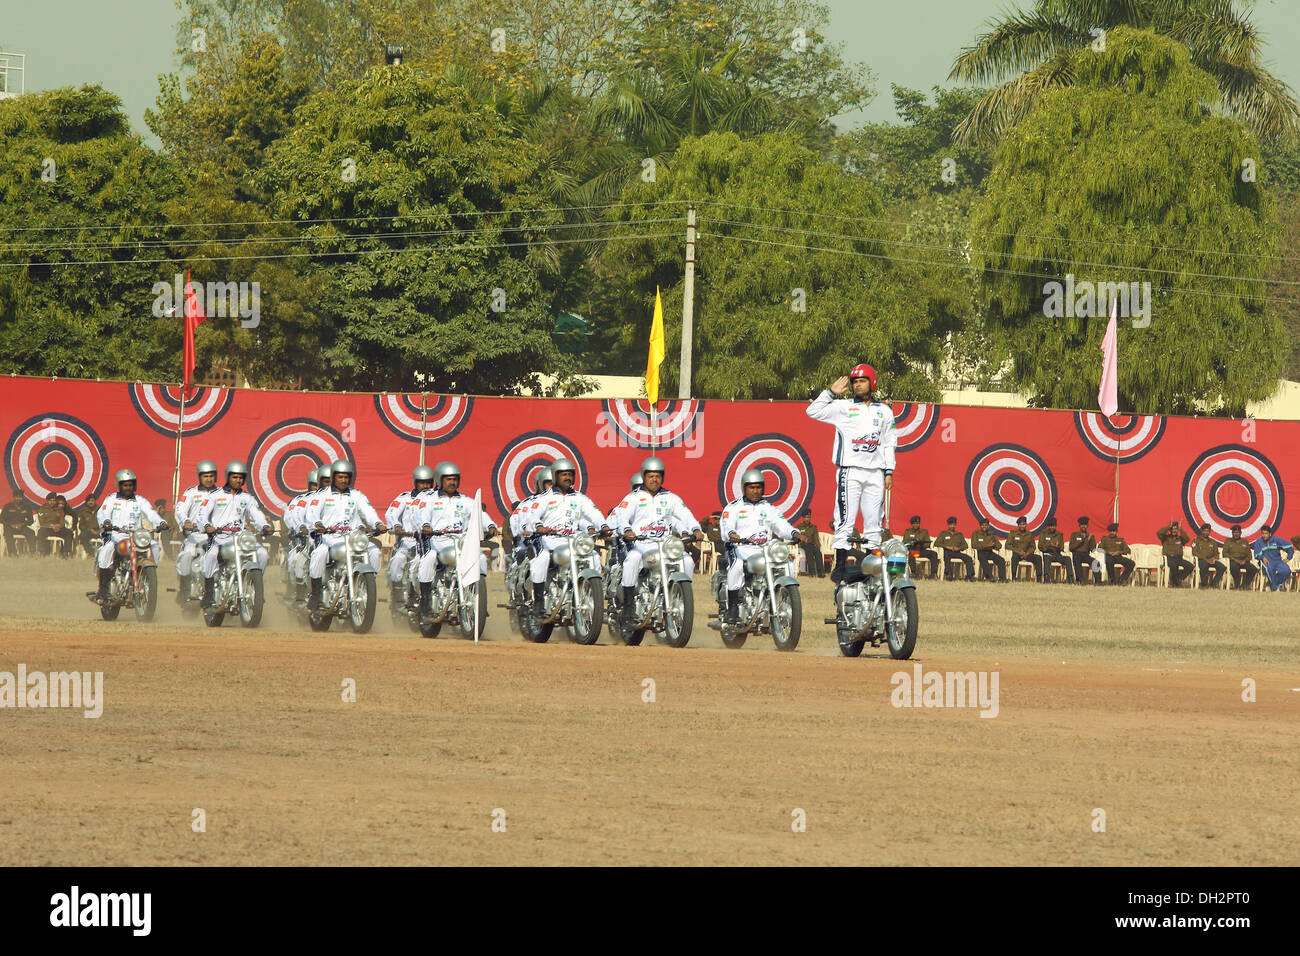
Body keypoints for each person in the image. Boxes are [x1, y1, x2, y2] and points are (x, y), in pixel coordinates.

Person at [806, 363, 896, 582]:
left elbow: (889, 442)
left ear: (872, 383)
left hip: (875, 473)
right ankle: (840, 565)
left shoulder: (884, 411)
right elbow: (812, 411)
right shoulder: (843, 407)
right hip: (850, 472)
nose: (857, 385)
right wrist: (829, 393)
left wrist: (889, 470)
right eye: (854, 382)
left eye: (862, 381)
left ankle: (870, 566)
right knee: (845, 519)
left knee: (873, 521)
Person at [616, 456, 703, 626]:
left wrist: (696, 529)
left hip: (665, 544)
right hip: (641, 543)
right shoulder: (633, 497)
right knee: (632, 560)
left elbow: (686, 515)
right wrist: (627, 530)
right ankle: (628, 606)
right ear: (644, 476)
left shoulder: (671, 498)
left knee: (687, 561)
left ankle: (679, 598)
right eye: (650, 476)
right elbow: (621, 517)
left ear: (662, 477)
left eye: (657, 476)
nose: (654, 479)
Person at [523, 458, 608, 619]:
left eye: (570, 474)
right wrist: (539, 526)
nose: (567, 477)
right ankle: (539, 603)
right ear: (555, 476)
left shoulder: (579, 498)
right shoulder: (544, 497)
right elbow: (532, 516)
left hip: (572, 539)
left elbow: (593, 513)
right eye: (563, 475)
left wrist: (603, 526)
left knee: (594, 557)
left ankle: (592, 600)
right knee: (542, 558)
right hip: (548, 538)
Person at [415, 461, 498, 617]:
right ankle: (425, 601)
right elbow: (422, 514)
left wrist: (491, 526)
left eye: (455, 479)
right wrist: (426, 526)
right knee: (429, 558)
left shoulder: (465, 500)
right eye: (448, 479)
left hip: (460, 542)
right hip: (437, 542)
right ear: (440, 480)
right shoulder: (429, 499)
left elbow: (480, 514)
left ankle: (477, 597)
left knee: (479, 557)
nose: (452, 482)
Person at [719, 469, 803, 623]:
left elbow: (781, 525)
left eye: (758, 487)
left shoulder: (768, 508)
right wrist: (732, 535)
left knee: (788, 565)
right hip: (740, 548)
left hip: (764, 549)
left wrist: (794, 533)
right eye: (752, 488)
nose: (755, 491)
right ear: (744, 488)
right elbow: (726, 525)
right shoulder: (733, 507)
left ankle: (781, 601)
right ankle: (732, 608)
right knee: (737, 567)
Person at [305, 460, 387, 611]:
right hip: (328, 537)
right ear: (333, 477)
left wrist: (378, 523)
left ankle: (367, 585)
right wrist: (317, 524)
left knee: (374, 551)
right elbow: (311, 512)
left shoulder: (357, 495)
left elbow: (369, 512)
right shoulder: (322, 494)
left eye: (346, 477)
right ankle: (315, 594)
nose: (343, 480)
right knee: (319, 553)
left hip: (352, 537)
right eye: (340, 477)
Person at [196, 461, 271, 608]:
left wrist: (265, 526)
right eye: (235, 477)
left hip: (241, 537)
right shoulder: (214, 495)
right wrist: (207, 526)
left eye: (241, 477)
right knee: (210, 556)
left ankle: (255, 587)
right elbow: (201, 514)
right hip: (219, 537)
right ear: (228, 477)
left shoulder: (247, 498)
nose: (238, 480)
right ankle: (209, 592)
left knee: (263, 554)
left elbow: (257, 515)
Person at [90, 470, 166, 604]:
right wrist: (106, 522)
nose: (128, 488)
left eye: (131, 485)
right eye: (125, 485)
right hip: (115, 535)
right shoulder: (112, 498)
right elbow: (103, 512)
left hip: (136, 536)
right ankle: (102, 591)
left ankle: (148, 575)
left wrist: (161, 522)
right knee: (107, 550)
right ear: (119, 486)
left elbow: (151, 513)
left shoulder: (140, 500)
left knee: (154, 546)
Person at [386, 465, 435, 608]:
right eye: (422, 482)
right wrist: (397, 525)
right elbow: (391, 513)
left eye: (428, 482)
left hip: (430, 542)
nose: (426, 486)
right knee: (398, 560)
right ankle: (397, 594)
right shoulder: (405, 498)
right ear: (415, 482)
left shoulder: (436, 499)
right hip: (408, 541)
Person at [174, 460, 220, 605]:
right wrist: (186, 522)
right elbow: (180, 509)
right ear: (199, 477)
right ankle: (184, 588)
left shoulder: (221, 493)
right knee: (187, 555)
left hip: (217, 537)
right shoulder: (191, 493)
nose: (209, 479)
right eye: (205, 476)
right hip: (195, 536)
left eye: (212, 476)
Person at [281, 467, 320, 607]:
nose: (317, 488)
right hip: (303, 540)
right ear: (309, 485)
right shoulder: (299, 500)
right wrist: (300, 527)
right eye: (314, 485)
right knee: (297, 561)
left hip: (325, 540)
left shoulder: (330, 500)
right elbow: (290, 517)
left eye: (320, 484)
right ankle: (298, 595)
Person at [1251, 526, 1294, 592]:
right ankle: (1274, 587)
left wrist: (1289, 557)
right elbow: (1256, 554)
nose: (1264, 535)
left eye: (1266, 533)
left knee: (1286, 571)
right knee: (1269, 569)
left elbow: (1289, 547)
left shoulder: (1276, 540)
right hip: (1266, 563)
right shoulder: (1259, 542)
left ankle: (1270, 584)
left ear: (1270, 534)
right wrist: (1262, 557)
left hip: (1278, 561)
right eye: (1262, 533)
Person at [934, 516, 974, 580]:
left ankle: (970, 576)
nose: (952, 526)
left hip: (957, 552)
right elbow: (936, 543)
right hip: (947, 552)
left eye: (954, 525)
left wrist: (959, 548)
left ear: (955, 525)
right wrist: (946, 546)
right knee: (947, 556)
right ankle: (948, 574)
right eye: (951, 525)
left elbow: (965, 545)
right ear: (948, 525)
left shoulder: (959, 534)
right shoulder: (943, 533)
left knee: (968, 558)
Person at [1004, 516, 1042, 582]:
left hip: (1027, 554)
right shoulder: (1013, 533)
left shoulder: (1029, 534)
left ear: (1026, 525)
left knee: (1038, 558)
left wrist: (1027, 553)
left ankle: (1039, 578)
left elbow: (1033, 546)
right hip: (1017, 554)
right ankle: (1013, 577)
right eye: (1020, 524)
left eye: (1024, 524)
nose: (1022, 526)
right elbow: (1007, 545)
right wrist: (1018, 551)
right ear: (1018, 525)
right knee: (1014, 558)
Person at [970, 516, 1007, 582]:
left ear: (988, 526)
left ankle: (1002, 578)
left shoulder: (991, 534)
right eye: (982, 525)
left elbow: (999, 546)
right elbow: (974, 545)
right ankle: (990, 577)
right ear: (980, 526)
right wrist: (986, 545)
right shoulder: (976, 533)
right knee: (983, 560)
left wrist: (993, 545)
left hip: (990, 552)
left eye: (986, 525)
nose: (984, 526)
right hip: (981, 552)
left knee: (1001, 560)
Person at [1156, 519, 1192, 588]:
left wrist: (1181, 529)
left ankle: (1178, 579)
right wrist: (1168, 527)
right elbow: (1159, 533)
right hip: (1169, 558)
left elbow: (1187, 539)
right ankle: (1176, 584)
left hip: (1179, 558)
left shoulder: (1180, 538)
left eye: (1176, 529)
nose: (1174, 530)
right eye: (1172, 529)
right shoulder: (1165, 538)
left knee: (1190, 566)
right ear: (1170, 530)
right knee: (1174, 566)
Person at [36, 492, 73, 557]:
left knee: (69, 532)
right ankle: (42, 552)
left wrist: (58, 526)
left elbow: (62, 521)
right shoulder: (42, 509)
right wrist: (51, 526)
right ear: (47, 501)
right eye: (50, 500)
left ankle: (65, 552)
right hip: (48, 528)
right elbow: (42, 522)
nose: (52, 502)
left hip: (58, 529)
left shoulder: (59, 509)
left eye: (54, 500)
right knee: (41, 531)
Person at [1037, 515, 1072, 583]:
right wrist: (1049, 545)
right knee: (1047, 558)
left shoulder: (1059, 534)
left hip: (1057, 554)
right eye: (1051, 526)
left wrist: (1057, 546)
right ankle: (1046, 578)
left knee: (1067, 559)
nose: (1053, 527)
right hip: (1047, 553)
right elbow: (1040, 546)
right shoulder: (1043, 534)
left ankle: (1070, 578)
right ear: (1048, 526)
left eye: (1054, 526)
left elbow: (1062, 547)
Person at [1222, 525, 1258, 590]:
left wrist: (1244, 560)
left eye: (1238, 532)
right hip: (1233, 560)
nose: (1236, 534)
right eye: (1234, 532)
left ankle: (1244, 584)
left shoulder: (1245, 541)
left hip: (1244, 561)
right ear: (1232, 533)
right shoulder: (1228, 541)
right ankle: (1237, 585)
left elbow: (1249, 555)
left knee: (1253, 569)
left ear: (1240, 533)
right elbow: (1224, 553)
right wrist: (1235, 559)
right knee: (1234, 568)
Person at [1191, 524, 1226, 589]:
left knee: (1222, 567)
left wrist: (1214, 558)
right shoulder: (1196, 540)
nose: (1206, 533)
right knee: (1204, 565)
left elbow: (1216, 553)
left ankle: (1213, 583)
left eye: (1207, 531)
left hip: (1211, 560)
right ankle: (1203, 584)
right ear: (1202, 531)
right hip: (1201, 560)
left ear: (1209, 532)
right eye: (1204, 531)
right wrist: (1205, 559)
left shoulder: (1213, 542)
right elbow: (1194, 553)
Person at [2, 490, 35, 557]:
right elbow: (1, 519)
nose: (18, 499)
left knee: (31, 532)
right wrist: (11, 525)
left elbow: (31, 521)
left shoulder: (26, 507)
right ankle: (13, 553)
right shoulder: (7, 506)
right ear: (13, 498)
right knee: (7, 533)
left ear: (22, 498)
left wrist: (22, 524)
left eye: (20, 497)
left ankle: (33, 552)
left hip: (21, 527)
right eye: (16, 497)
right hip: (10, 527)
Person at [794, 511, 824, 577]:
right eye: (806, 517)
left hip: (812, 545)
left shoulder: (813, 527)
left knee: (818, 553)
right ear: (803, 518)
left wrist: (818, 547)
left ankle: (820, 572)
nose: (807, 519)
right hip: (802, 545)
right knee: (809, 550)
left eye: (809, 517)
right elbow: (795, 537)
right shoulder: (799, 527)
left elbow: (816, 538)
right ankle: (812, 572)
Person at [1068, 517, 1097, 585]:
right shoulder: (1074, 535)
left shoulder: (1090, 536)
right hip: (1077, 553)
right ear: (1079, 526)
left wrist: (1091, 540)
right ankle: (1080, 579)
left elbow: (1093, 549)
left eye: (1085, 525)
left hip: (1086, 554)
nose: (1084, 526)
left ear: (1087, 526)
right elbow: (1071, 548)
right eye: (1082, 525)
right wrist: (1082, 540)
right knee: (1077, 561)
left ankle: (1098, 581)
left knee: (1095, 562)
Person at [74, 493, 100, 558]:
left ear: (95, 501)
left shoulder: (100, 510)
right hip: (89, 531)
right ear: (86, 502)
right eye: (89, 501)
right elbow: (81, 525)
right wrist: (90, 529)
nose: (91, 502)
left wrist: (100, 530)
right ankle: (91, 553)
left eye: (92, 500)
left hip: (100, 531)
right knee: (82, 536)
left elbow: (104, 522)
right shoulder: (83, 511)